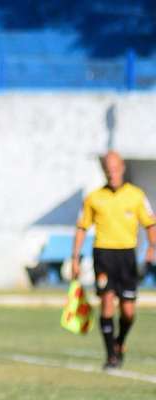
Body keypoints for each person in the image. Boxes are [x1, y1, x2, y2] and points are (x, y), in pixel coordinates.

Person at [71, 150, 156, 369]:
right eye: (108, 169)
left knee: (128, 311)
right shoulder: (94, 198)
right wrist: (75, 258)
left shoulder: (136, 195)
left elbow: (150, 224)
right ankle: (111, 356)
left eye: (115, 168)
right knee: (107, 302)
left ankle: (120, 342)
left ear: (122, 168)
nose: (112, 173)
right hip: (103, 254)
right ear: (104, 171)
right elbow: (81, 227)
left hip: (127, 255)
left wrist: (151, 249)